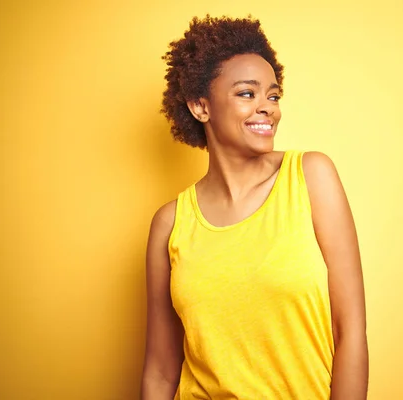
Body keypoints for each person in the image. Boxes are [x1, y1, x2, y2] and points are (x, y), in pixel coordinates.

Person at [141, 15, 368, 400]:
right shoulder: (170, 223)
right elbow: (161, 372)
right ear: (200, 107)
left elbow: (351, 332)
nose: (268, 108)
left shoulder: (311, 176)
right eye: (247, 94)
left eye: (274, 95)